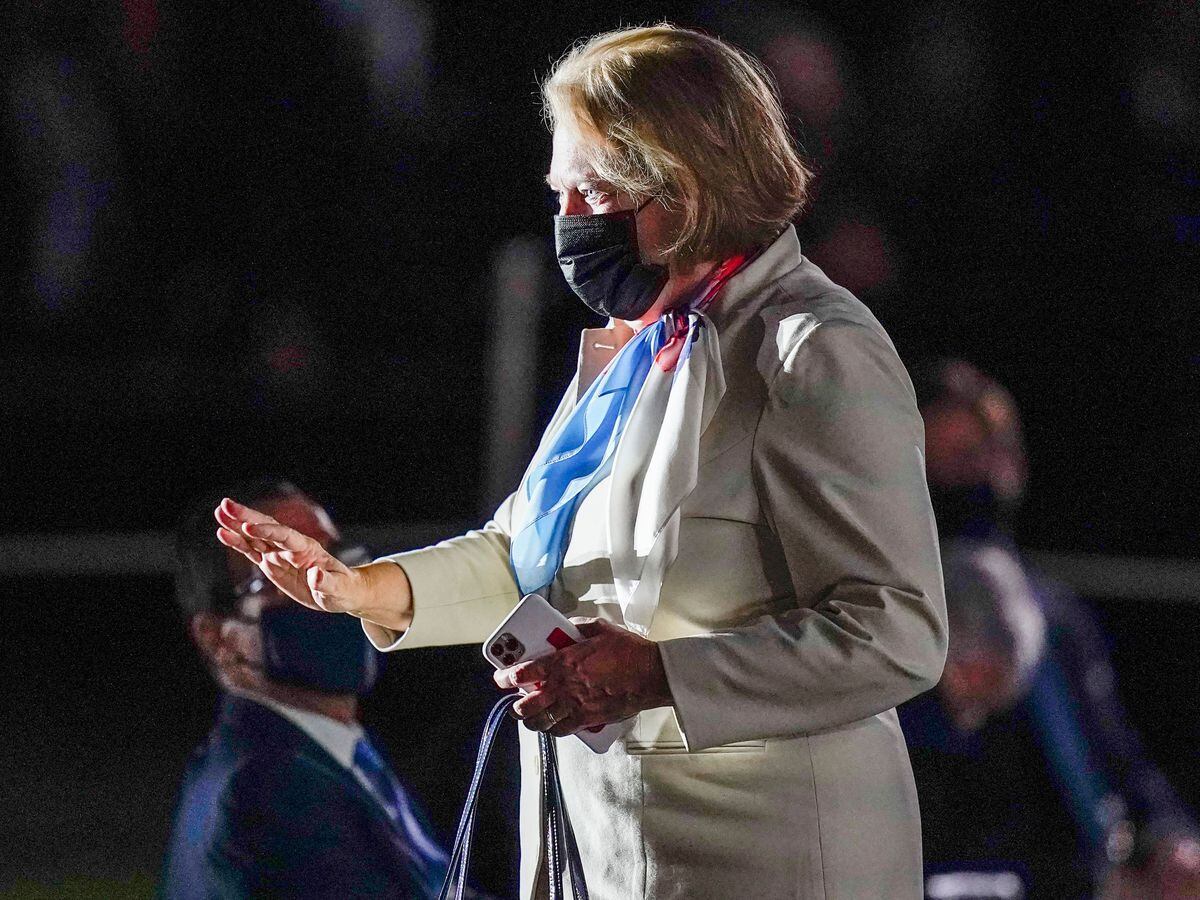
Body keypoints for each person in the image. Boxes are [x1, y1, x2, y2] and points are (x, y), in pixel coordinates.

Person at [215, 26, 948, 899]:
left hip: (771, 859)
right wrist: (360, 590)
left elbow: (898, 629)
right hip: (599, 851)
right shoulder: (634, 348)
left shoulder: (811, 348)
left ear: (689, 185)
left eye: (594, 192)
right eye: (560, 192)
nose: (569, 223)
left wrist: (661, 672)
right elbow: (529, 555)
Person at [900, 358, 1200, 899]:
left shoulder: (1050, 608)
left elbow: (1112, 749)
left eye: (990, 453)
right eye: (954, 460)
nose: (981, 475)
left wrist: (1167, 837)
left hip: (1082, 871)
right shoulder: (890, 610)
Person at [162, 479, 449, 899]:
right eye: (286, 572)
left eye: (331, 557)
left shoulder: (321, 749)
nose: (326, 587)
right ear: (216, 636)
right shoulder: (268, 788)